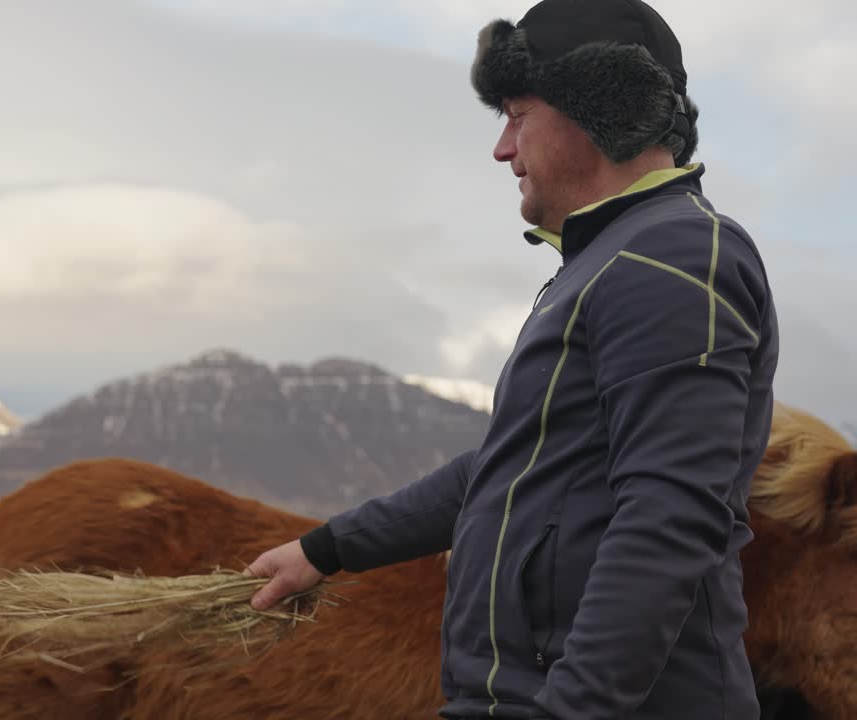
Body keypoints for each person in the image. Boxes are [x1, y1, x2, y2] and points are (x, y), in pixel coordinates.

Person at [244, 1, 781, 718]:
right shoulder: (606, 265)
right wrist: (327, 548)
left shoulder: (673, 258)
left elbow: (670, 515)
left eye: (517, 114)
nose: (502, 148)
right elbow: (506, 466)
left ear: (603, 108)